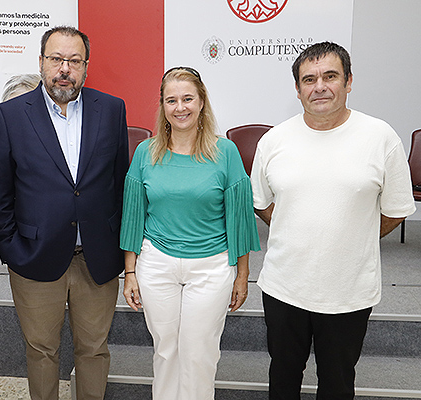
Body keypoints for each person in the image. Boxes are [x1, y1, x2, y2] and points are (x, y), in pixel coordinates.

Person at [250, 42, 416, 399]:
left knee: (337, 386)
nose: (319, 86)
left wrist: (353, 234)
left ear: (349, 81)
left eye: (330, 76)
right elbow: (261, 202)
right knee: (282, 381)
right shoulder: (274, 141)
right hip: (284, 288)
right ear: (297, 89)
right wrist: (297, 226)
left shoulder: (380, 137)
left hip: (348, 291)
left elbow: (397, 209)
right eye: (308, 79)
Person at [0, 26, 129, 400]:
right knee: (41, 353)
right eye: (56, 59)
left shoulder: (112, 109)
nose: (64, 68)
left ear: (86, 67)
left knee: (94, 351)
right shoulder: (11, 114)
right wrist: (9, 248)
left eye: (74, 61)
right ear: (41, 62)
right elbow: (0, 192)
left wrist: (120, 249)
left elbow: (120, 184)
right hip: (34, 259)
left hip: (96, 259)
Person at [120, 67, 261, 400]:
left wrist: (242, 275)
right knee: (165, 352)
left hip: (211, 268)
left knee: (199, 353)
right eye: (171, 100)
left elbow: (239, 218)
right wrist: (130, 273)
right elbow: (133, 218)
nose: (180, 107)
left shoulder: (225, 152)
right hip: (156, 265)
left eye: (187, 98)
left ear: (201, 102)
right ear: (163, 106)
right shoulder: (145, 152)